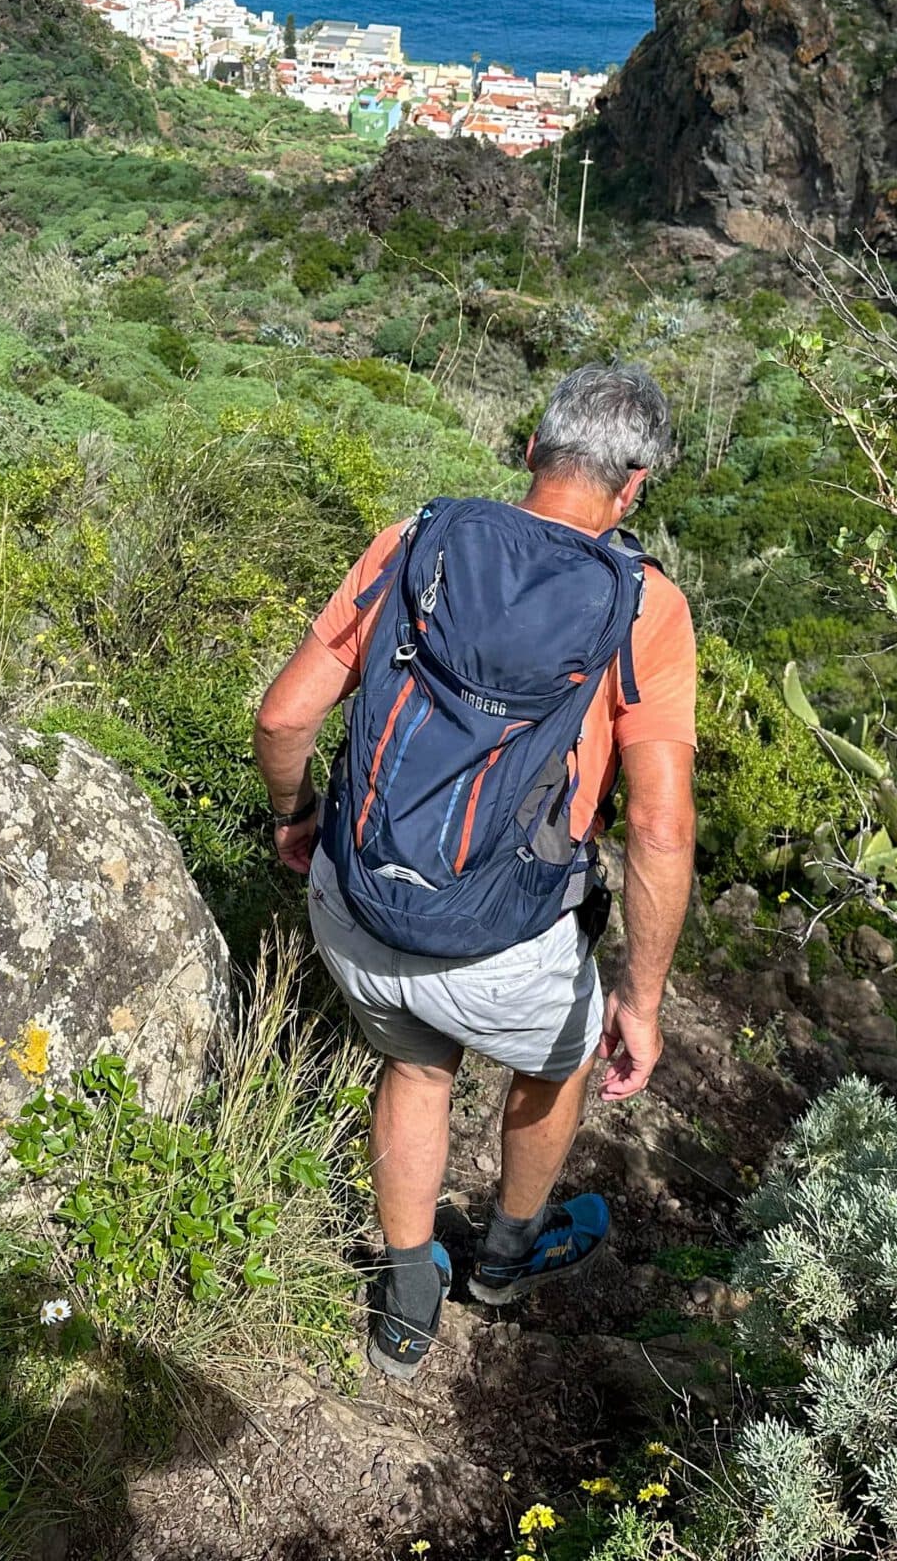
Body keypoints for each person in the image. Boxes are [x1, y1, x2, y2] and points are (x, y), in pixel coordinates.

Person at [253, 362, 698, 1381]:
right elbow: (660, 830)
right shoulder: (646, 608)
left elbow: (283, 715)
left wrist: (296, 819)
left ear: (530, 452)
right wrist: (640, 996)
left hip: (358, 901)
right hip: (501, 939)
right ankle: (502, 1259)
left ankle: (406, 1298)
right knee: (560, 1055)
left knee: (414, 1063)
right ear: (632, 488)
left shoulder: (415, 543)